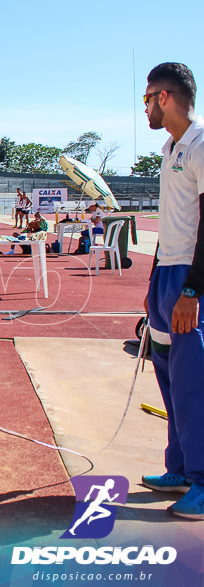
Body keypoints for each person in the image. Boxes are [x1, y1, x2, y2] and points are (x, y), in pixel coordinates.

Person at [141, 62, 204, 520]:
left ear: (165, 97)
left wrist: (192, 291)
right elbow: (172, 223)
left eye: (146, 98)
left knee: (193, 384)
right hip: (166, 274)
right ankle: (180, 468)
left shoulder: (201, 144)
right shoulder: (170, 147)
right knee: (167, 377)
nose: (144, 106)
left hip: (189, 279)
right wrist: (153, 283)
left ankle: (202, 483)